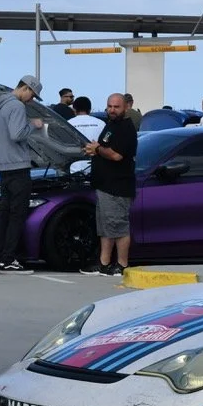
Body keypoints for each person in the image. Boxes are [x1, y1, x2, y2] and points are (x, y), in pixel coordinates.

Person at [0, 74, 46, 274]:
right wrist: (33, 124)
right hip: (18, 167)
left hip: (4, 167)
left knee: (5, 213)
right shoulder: (17, 106)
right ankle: (9, 258)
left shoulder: (0, 106)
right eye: (33, 95)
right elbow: (17, 134)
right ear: (26, 88)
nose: (31, 99)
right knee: (17, 215)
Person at [79, 93, 138, 276]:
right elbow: (104, 148)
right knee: (105, 227)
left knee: (119, 226)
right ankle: (103, 263)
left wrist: (97, 149)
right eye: (109, 106)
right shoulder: (110, 125)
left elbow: (116, 155)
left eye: (116, 107)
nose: (112, 110)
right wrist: (95, 149)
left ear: (126, 107)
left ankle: (122, 264)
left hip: (118, 187)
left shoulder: (126, 128)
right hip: (104, 185)